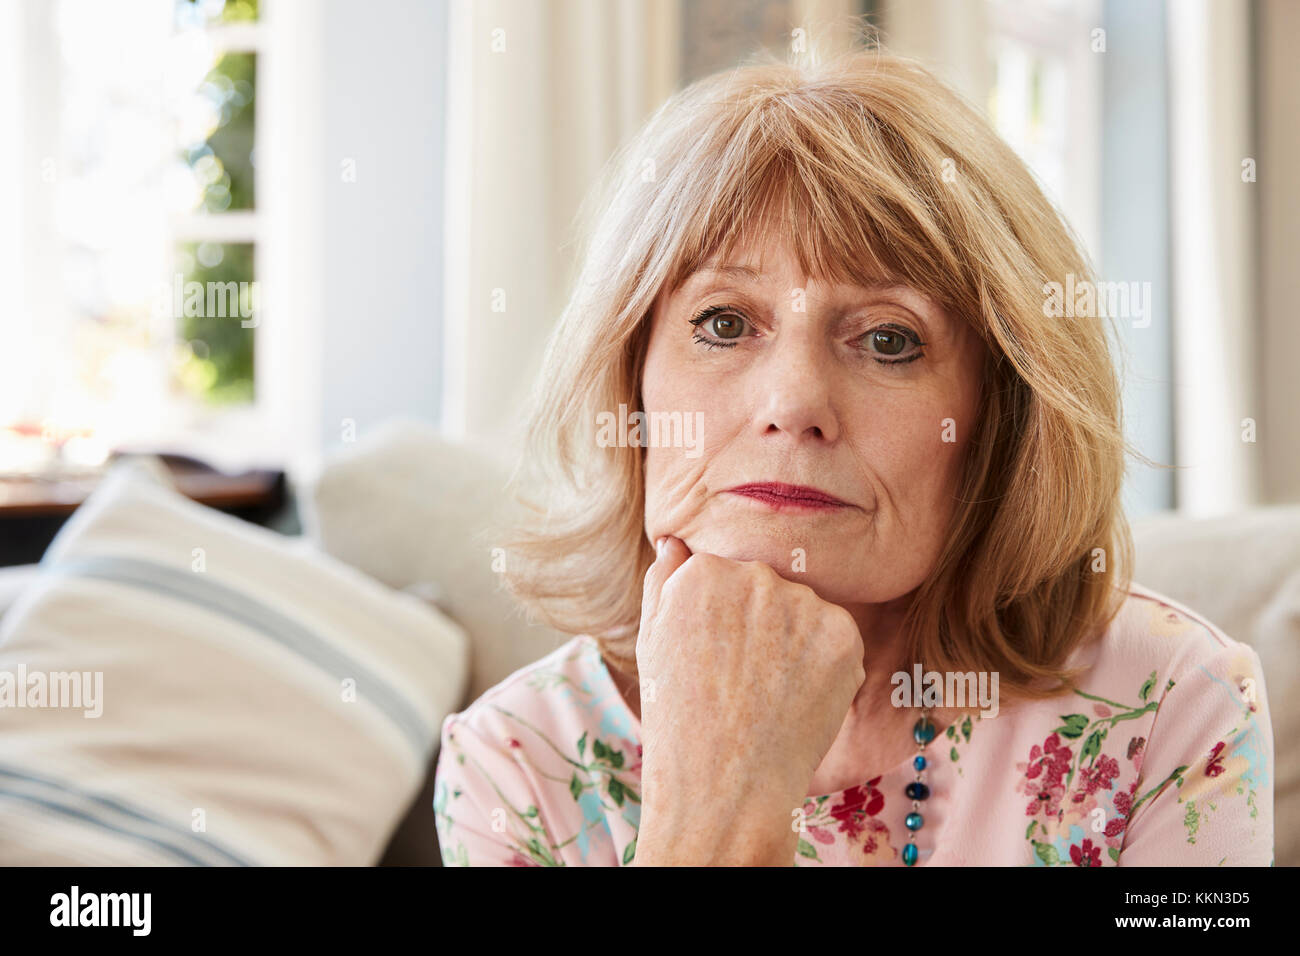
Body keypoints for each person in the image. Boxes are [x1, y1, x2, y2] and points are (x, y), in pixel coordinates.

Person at [431, 45, 1273, 867]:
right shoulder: (514, 767)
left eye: (888, 340)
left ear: (1002, 413)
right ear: (632, 384)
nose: (794, 404)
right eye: (725, 323)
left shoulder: (1172, 706)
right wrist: (720, 806)